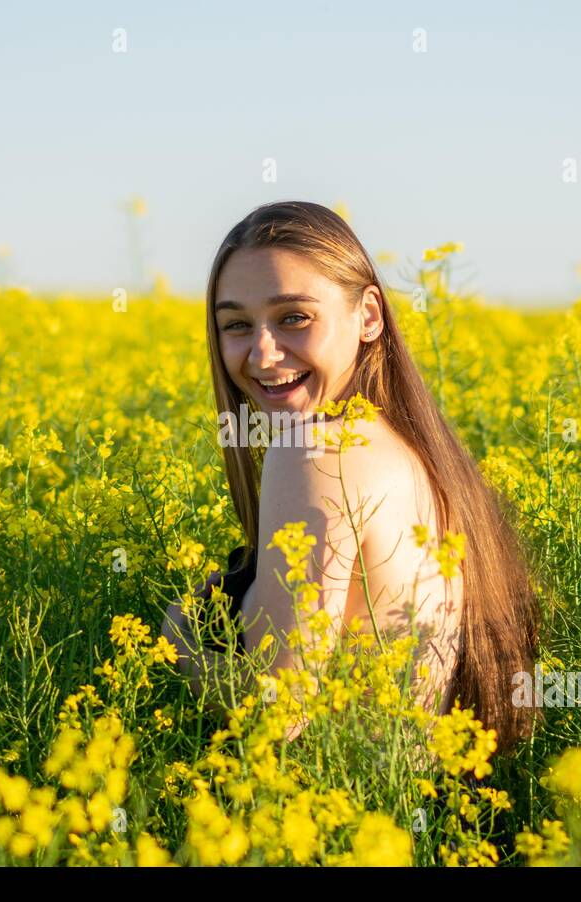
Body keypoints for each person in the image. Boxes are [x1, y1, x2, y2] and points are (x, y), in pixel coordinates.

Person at [162, 200, 541, 758]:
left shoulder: (312, 453)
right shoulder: (414, 452)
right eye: (237, 324)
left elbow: (280, 710)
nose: (264, 354)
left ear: (369, 315)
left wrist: (177, 642)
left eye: (293, 317)